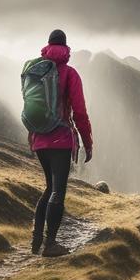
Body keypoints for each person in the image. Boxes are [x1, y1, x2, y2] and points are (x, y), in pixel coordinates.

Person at [29, 29, 93, 257]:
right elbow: (80, 113)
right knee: (58, 191)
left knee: (49, 188)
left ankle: (36, 241)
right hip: (61, 140)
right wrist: (88, 142)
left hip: (39, 140)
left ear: (47, 46)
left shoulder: (36, 71)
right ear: (66, 48)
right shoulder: (70, 74)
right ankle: (50, 244)